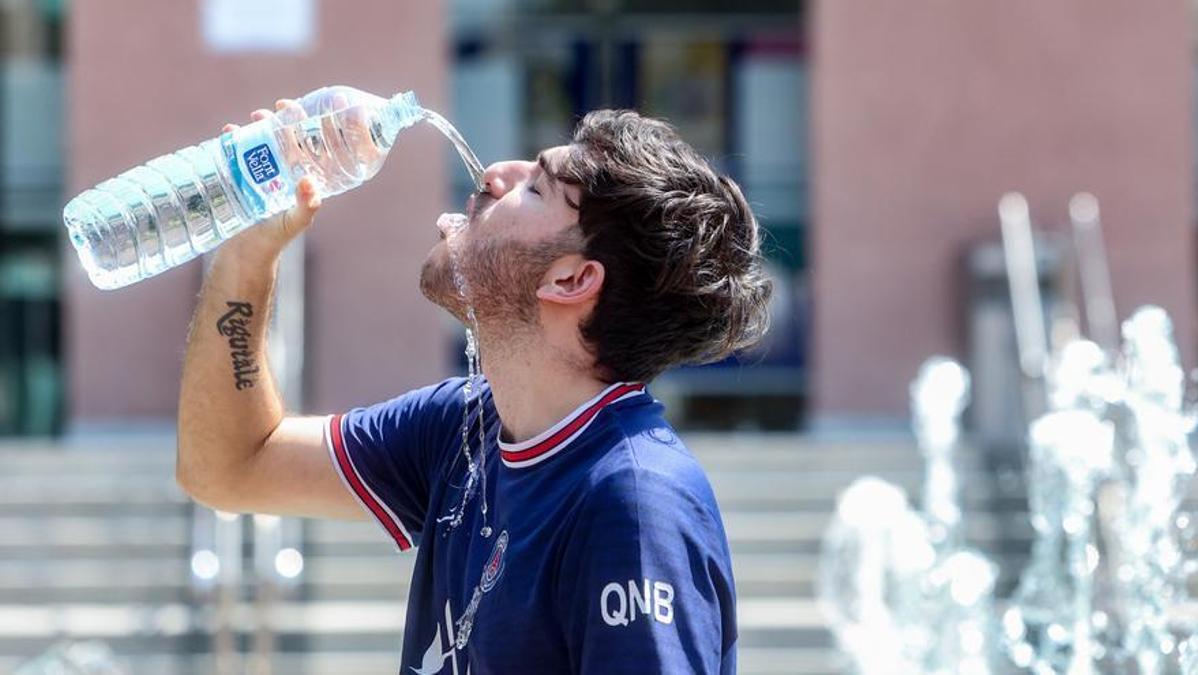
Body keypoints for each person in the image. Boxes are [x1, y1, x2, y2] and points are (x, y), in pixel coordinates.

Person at [177, 101, 772, 674]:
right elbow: (229, 465)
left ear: (570, 279)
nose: (493, 175)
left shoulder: (634, 503)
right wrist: (246, 257)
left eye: (536, 187)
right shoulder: (464, 429)